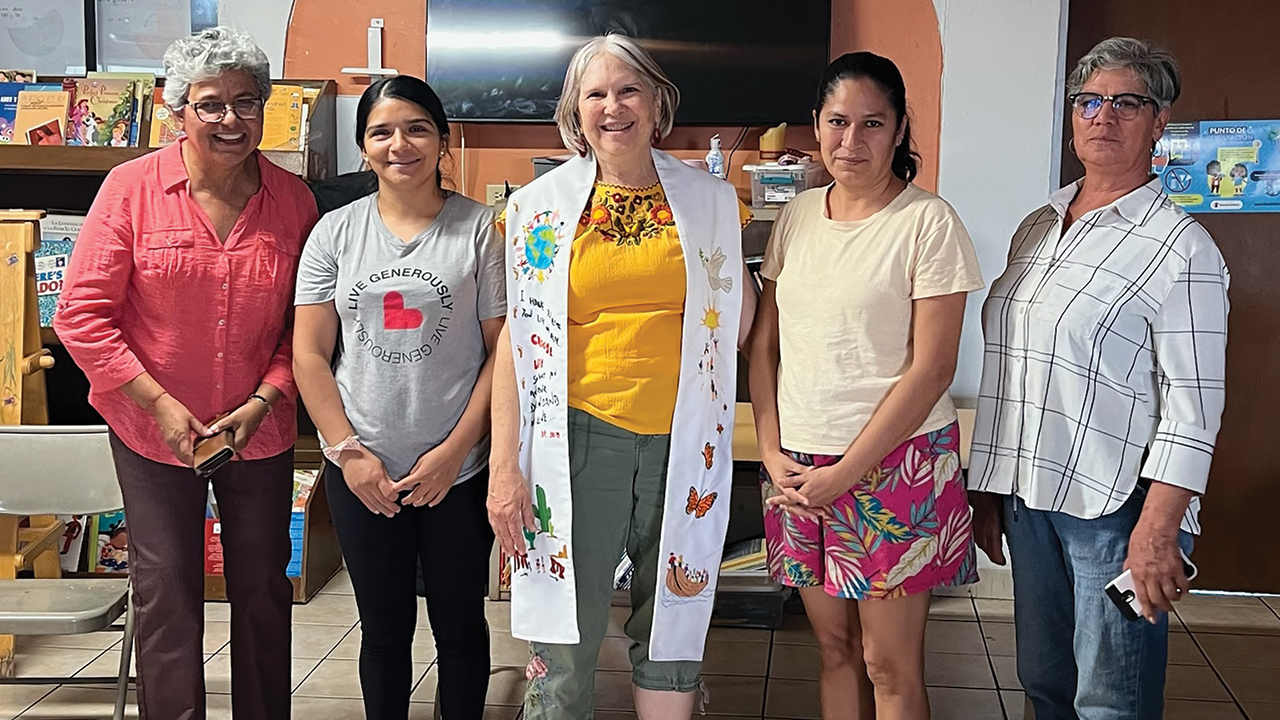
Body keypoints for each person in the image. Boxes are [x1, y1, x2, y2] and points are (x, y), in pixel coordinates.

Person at [486, 34, 755, 720]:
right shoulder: (536, 210)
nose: (614, 106)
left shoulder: (710, 201)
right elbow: (518, 344)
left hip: (682, 438)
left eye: (629, 89)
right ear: (575, 113)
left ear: (658, 102)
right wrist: (504, 469)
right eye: (597, 93)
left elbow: (738, 320)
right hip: (576, 440)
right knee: (563, 633)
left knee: (671, 615)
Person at [53, 26, 317, 720]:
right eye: (211, 104)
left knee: (263, 589)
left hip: (257, 430)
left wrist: (265, 399)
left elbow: (306, 326)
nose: (232, 119)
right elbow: (82, 314)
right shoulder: (130, 190)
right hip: (152, 431)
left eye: (247, 101)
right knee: (167, 589)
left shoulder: (294, 202)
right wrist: (159, 404)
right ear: (177, 113)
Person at [967, 37, 1230, 720]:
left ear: (1158, 122)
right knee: (1043, 682)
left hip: (1116, 512)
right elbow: (1014, 363)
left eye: (1125, 103)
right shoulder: (1039, 225)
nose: (1102, 116)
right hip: (1031, 499)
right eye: (1089, 101)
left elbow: (1194, 410)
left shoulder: (1181, 248)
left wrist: (1158, 529)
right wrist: (989, 488)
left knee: (1110, 698)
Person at [749, 52, 983, 720]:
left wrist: (849, 470)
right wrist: (770, 449)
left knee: (890, 665)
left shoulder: (927, 222)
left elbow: (933, 367)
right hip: (798, 462)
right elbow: (764, 344)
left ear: (901, 128)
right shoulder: (794, 217)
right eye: (838, 122)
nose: (852, 142)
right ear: (816, 128)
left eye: (872, 123)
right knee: (834, 649)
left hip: (895, 464)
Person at [292, 75, 503, 720]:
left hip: (458, 472)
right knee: (382, 630)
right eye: (381, 132)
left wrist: (453, 452)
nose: (399, 144)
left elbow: (507, 351)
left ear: (442, 140)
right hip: (364, 472)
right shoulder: (334, 233)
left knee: (461, 625)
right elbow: (309, 354)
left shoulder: (482, 230)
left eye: (417, 128)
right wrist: (350, 455)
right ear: (363, 146)